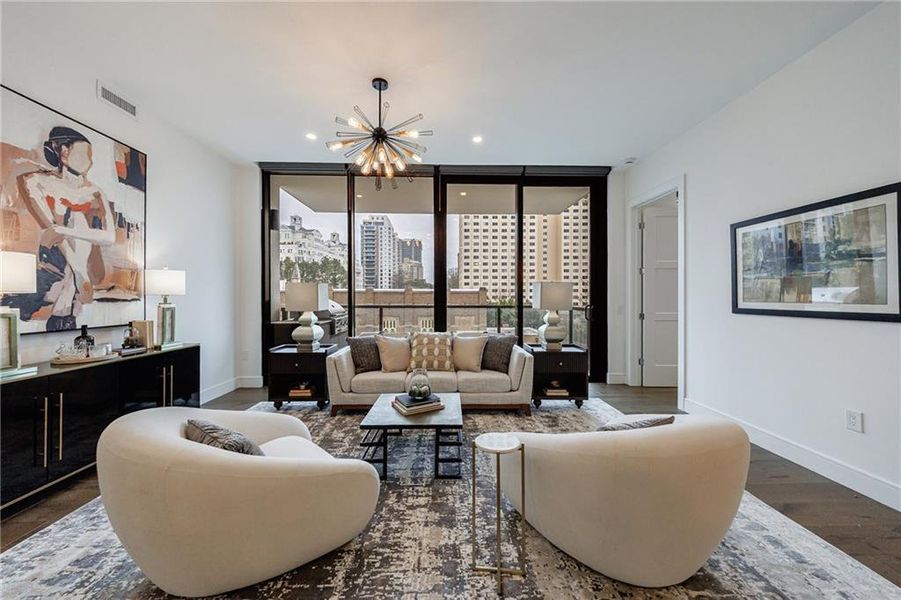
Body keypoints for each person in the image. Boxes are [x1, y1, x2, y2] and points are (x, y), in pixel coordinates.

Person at [11, 126, 115, 331]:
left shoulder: (94, 192)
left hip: (83, 259)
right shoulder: (34, 181)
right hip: (52, 257)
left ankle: (63, 308)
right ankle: (66, 306)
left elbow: (109, 237)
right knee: (71, 220)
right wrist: (78, 271)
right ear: (64, 152)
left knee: (76, 218)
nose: (91, 162)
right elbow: (50, 231)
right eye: (86, 154)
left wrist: (66, 232)